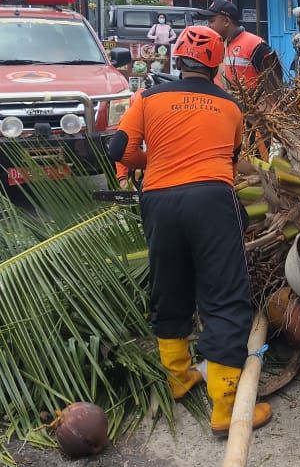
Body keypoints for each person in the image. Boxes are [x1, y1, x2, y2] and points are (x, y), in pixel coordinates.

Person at [107, 25, 273, 435]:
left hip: (159, 202)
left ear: (176, 59)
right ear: (216, 64)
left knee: (170, 285)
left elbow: (119, 150)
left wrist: (157, 159)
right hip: (212, 202)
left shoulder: (146, 98)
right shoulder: (231, 107)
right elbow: (232, 159)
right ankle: (226, 406)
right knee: (224, 295)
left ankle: (178, 376)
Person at [205, 0, 281, 94]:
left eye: (211, 21)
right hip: (221, 106)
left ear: (226, 21)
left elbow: (274, 87)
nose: (208, 26)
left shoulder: (256, 45)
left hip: (249, 107)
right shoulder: (212, 45)